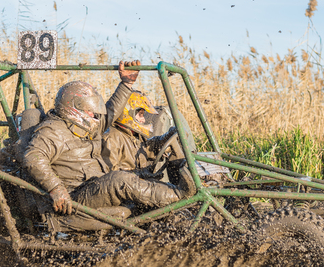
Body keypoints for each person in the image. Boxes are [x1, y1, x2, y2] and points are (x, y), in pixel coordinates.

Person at [22, 60, 195, 221]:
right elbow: (33, 157)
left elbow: (110, 112)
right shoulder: (53, 130)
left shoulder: (83, 126)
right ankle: (180, 197)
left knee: (136, 175)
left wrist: (126, 84)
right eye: (91, 112)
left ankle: (181, 198)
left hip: (93, 185)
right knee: (120, 180)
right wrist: (56, 188)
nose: (95, 116)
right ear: (75, 109)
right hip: (75, 197)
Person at [101, 90, 177, 174]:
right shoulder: (111, 138)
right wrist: (143, 175)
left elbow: (147, 148)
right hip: (128, 185)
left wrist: (165, 138)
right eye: (140, 115)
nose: (143, 119)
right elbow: (113, 177)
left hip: (137, 183)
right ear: (128, 113)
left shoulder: (133, 135)